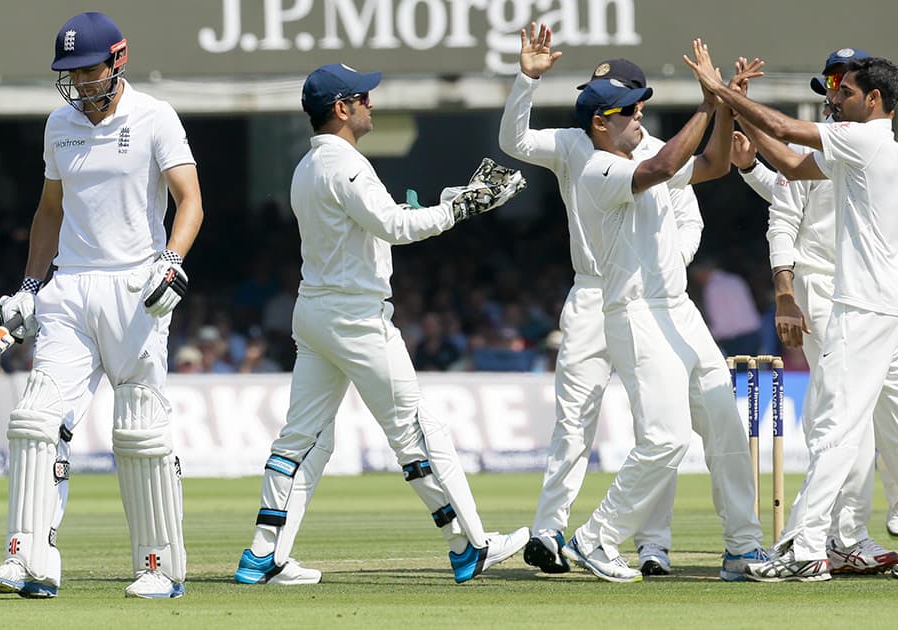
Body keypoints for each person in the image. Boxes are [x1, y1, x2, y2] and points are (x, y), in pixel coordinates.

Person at [234, 63, 529, 586]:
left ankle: (264, 555)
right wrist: (460, 207)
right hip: (356, 318)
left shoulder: (309, 166)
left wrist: (443, 201)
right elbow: (394, 226)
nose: (372, 103)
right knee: (415, 432)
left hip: (318, 313)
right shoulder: (346, 167)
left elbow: (377, 221)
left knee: (303, 440)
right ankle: (470, 545)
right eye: (364, 97)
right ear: (342, 108)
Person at [0, 12, 203, 599]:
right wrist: (29, 285)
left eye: (88, 70)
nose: (79, 83)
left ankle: (160, 568)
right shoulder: (60, 124)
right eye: (69, 73)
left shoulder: (155, 116)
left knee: (140, 431)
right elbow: (49, 211)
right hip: (70, 289)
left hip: (135, 287)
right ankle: (29, 563)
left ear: (118, 59)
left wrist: (170, 262)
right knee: (35, 421)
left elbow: (189, 201)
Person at [498, 23, 706, 577]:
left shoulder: (660, 152)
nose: (630, 113)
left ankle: (652, 542)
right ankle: (548, 530)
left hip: (648, 298)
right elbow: (513, 142)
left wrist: (662, 269)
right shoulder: (572, 143)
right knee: (574, 417)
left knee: (655, 425)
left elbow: (690, 224)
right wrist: (526, 79)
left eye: (631, 102)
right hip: (590, 293)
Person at [556, 41, 767, 583]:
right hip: (635, 314)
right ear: (601, 123)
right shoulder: (600, 171)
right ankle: (595, 539)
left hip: (680, 310)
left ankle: (743, 548)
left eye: (641, 109)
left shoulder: (635, 158)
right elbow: (668, 162)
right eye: (630, 112)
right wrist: (706, 101)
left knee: (725, 424)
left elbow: (716, 163)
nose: (639, 116)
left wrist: (723, 106)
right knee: (666, 440)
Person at [690, 44, 898, 582]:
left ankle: (809, 547)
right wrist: (738, 119)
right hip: (882, 309)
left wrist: (723, 94)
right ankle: (821, 542)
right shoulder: (874, 145)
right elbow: (785, 163)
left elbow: (785, 127)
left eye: (845, 92)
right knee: (855, 432)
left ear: (875, 99)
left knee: (835, 430)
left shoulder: (865, 139)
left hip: (862, 306)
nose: (835, 97)